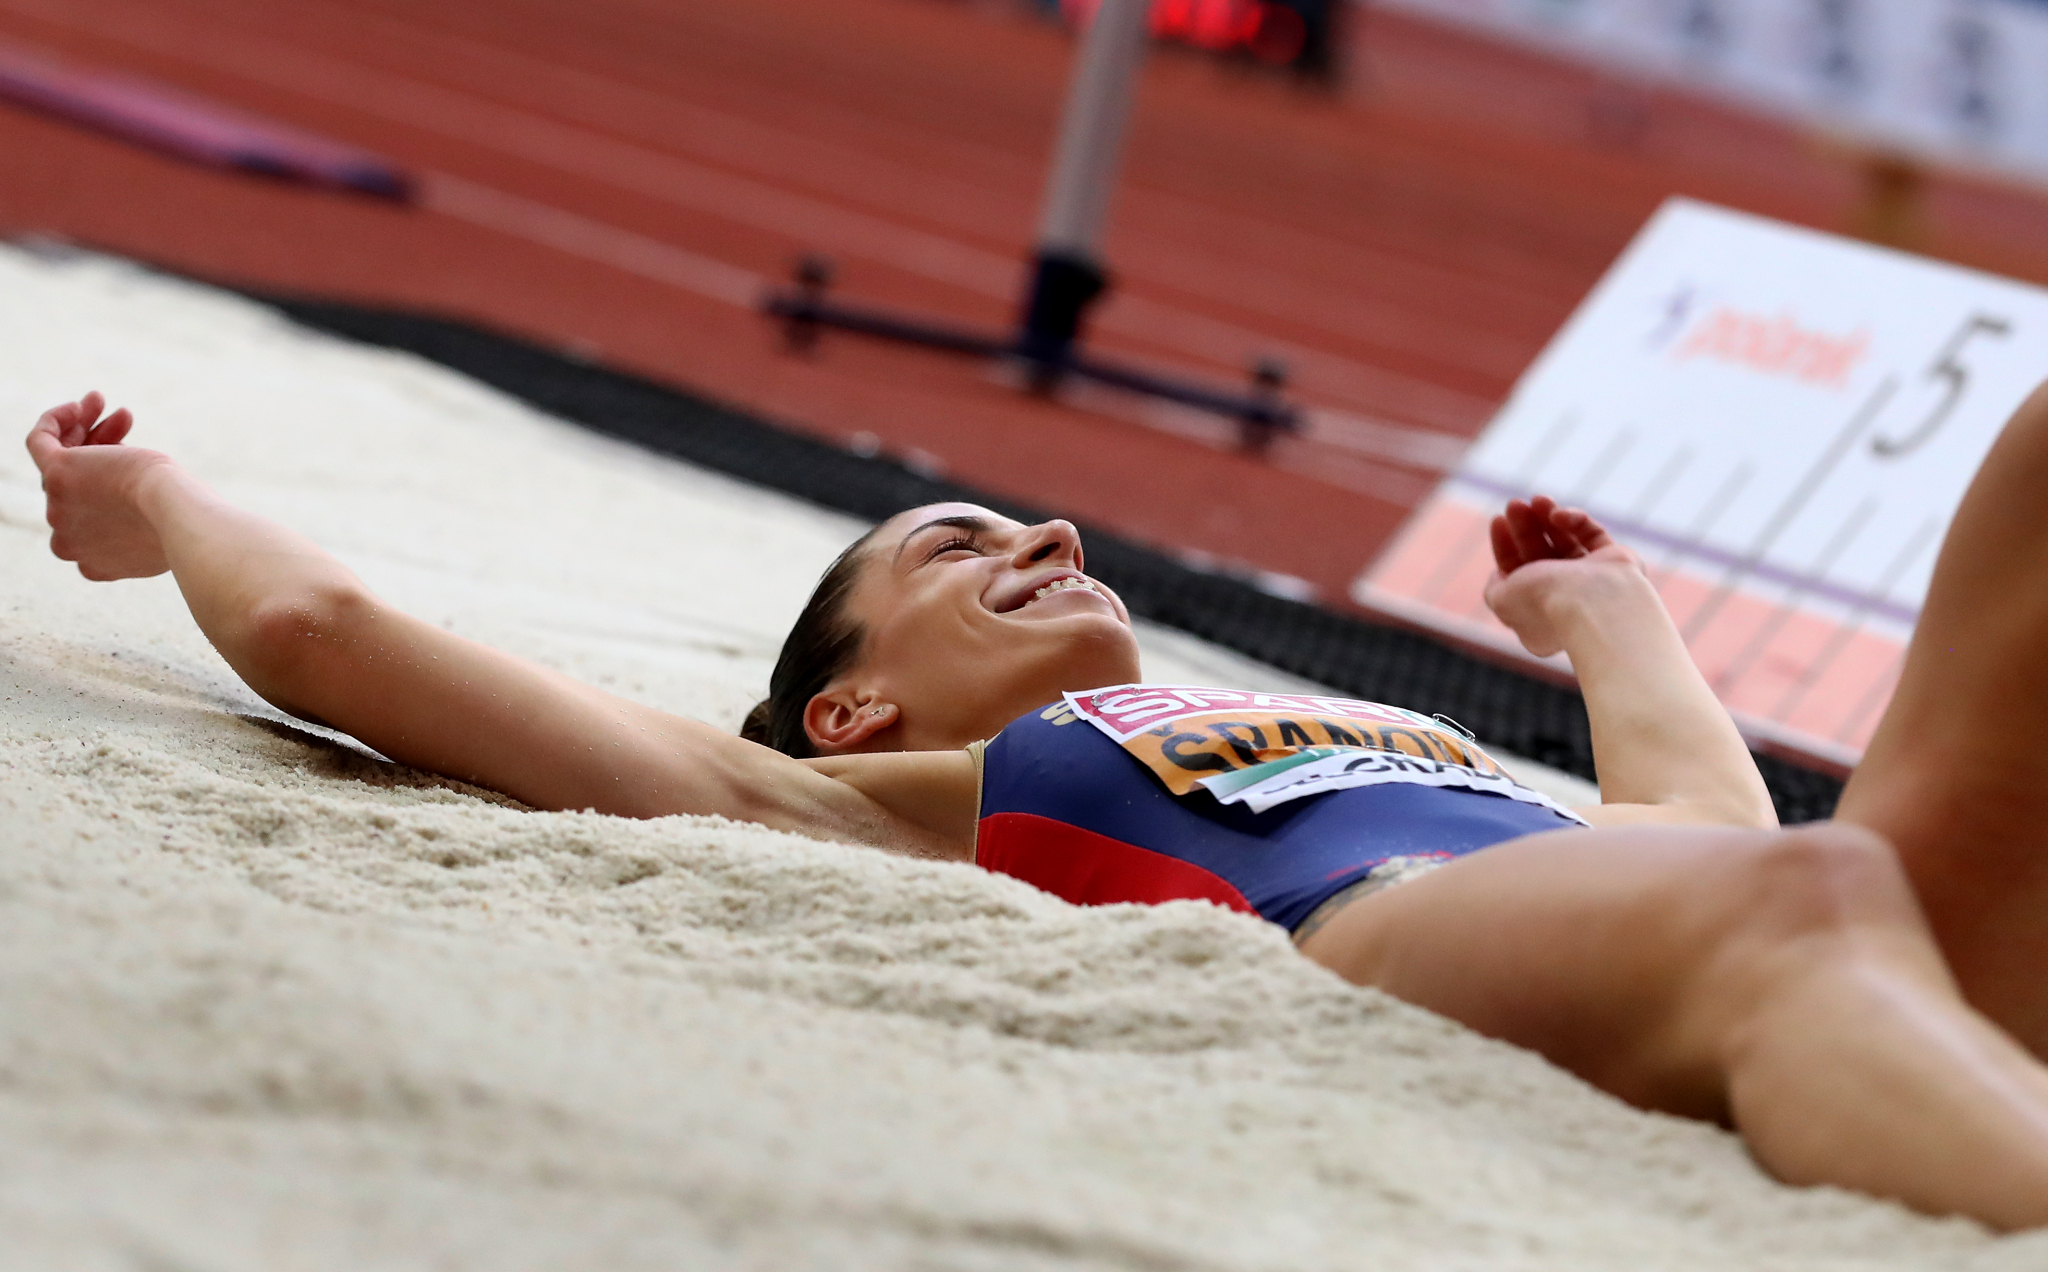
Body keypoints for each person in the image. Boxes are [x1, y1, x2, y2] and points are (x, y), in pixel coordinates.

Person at [26, 386, 2048, 1230]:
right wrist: (156, 504)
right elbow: (333, 634)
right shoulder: (903, 797)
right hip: (1462, 940)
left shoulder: (1350, 721)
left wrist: (1607, 622)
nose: (1048, 533)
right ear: (854, 704)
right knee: (1804, 907)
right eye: (956, 542)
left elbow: (1692, 832)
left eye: (1034, 527)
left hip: (1761, 920)